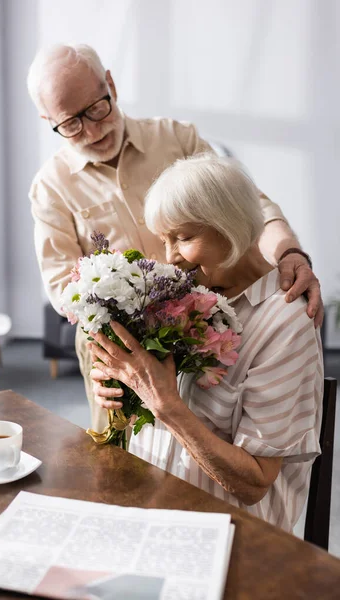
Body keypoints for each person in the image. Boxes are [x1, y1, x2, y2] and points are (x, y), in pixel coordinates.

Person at [27, 43, 323, 433]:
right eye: (71, 123)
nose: (93, 130)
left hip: (204, 323)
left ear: (111, 84)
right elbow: (66, 291)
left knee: (209, 441)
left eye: (98, 108)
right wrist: (117, 342)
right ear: (48, 119)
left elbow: (249, 207)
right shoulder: (51, 187)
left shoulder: (175, 138)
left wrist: (289, 252)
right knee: (125, 452)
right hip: (120, 343)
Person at [89, 155, 323, 532]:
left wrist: (163, 402)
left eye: (183, 237)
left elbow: (255, 483)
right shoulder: (183, 293)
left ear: (232, 226)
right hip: (150, 507)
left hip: (226, 533)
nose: (169, 257)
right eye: (165, 239)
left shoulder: (286, 323)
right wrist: (124, 389)